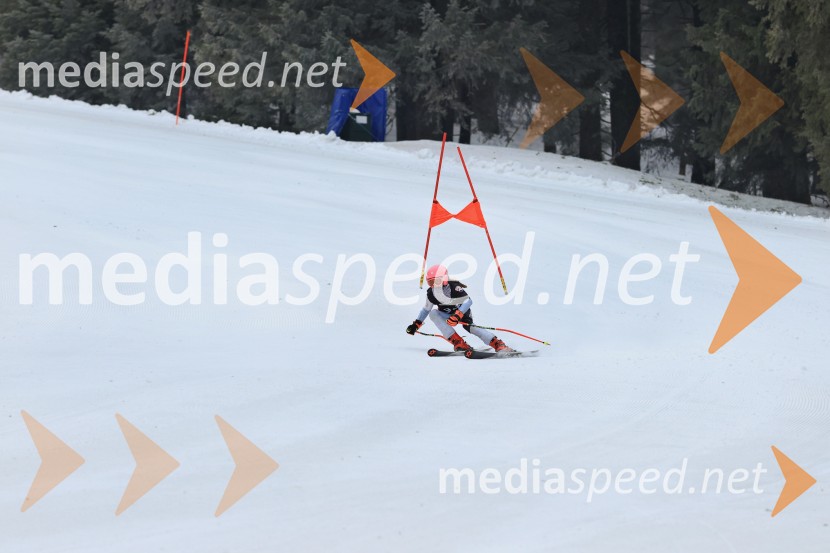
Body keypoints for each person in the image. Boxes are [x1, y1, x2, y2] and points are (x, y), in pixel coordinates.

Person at [405, 264, 513, 352]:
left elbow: (468, 301)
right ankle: (458, 342)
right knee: (433, 313)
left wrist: (458, 314)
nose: (435, 285)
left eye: (437, 281)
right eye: (431, 282)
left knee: (471, 328)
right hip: (447, 316)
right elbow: (426, 309)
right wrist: (416, 324)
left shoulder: (454, 287)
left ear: (445, 279)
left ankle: (497, 343)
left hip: (462, 314)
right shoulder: (431, 294)